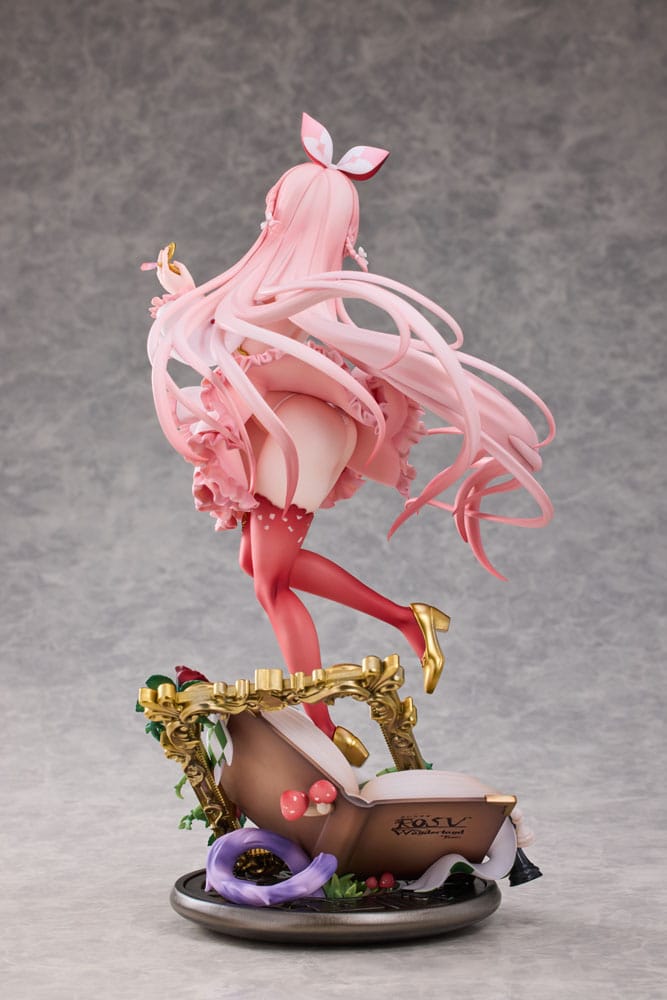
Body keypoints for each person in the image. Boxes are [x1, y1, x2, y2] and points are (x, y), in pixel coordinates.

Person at [144, 114, 554, 764]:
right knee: (260, 570)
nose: (269, 220)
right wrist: (187, 295)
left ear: (287, 214)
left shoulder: (284, 285)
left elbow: (232, 336)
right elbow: (233, 338)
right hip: (293, 432)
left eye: (276, 209)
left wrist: (189, 303)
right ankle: (388, 642)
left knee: (271, 582)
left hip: (296, 439)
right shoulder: (284, 284)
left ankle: (335, 709)